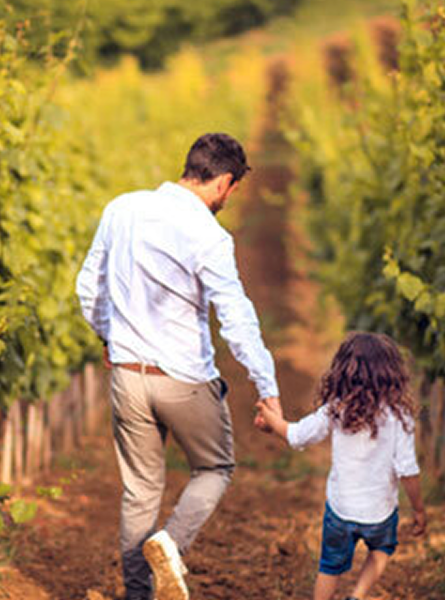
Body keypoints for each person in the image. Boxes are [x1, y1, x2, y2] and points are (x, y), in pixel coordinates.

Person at [75, 133, 281, 600]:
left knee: (140, 491)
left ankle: (138, 595)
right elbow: (235, 316)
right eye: (232, 190)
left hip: (128, 375)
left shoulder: (120, 209)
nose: (228, 199)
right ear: (224, 182)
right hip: (184, 380)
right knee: (215, 467)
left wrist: (109, 336)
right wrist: (265, 385)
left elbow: (89, 287)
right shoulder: (209, 235)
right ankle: (170, 543)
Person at [253, 332, 427, 600]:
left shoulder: (337, 409)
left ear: (343, 371)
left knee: (329, 567)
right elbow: (407, 469)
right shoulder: (399, 417)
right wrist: (418, 509)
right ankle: (356, 597)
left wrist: (271, 419)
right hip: (379, 512)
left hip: (340, 509)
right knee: (382, 550)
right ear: (392, 373)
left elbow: (297, 435)